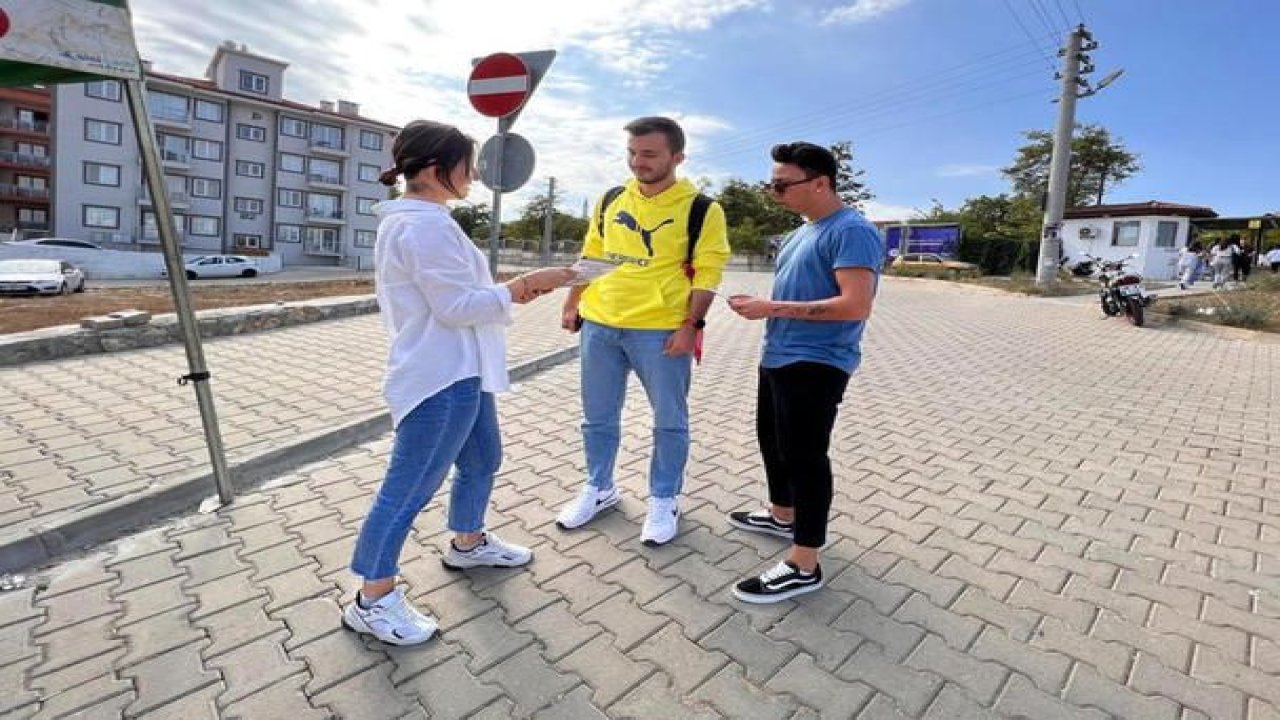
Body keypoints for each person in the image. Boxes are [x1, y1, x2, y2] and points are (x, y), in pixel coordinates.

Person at [343, 120, 575, 645]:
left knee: (481, 458)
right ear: (433, 169)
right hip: (439, 377)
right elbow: (452, 308)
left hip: (463, 369)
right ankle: (372, 598)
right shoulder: (421, 226)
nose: (474, 174)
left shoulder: (426, 220)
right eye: (466, 164)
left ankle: (468, 542)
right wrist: (523, 285)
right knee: (408, 488)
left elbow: (458, 294)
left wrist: (515, 292)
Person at [556, 116, 730, 545]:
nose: (638, 162)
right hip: (600, 324)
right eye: (633, 153)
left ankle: (664, 498)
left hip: (660, 330)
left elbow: (708, 273)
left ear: (677, 156)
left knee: (669, 420)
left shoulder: (701, 209)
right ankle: (600, 489)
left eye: (649, 154)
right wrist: (573, 300)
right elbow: (592, 254)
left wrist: (691, 325)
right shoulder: (612, 198)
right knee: (597, 418)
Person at [725, 141, 882, 603]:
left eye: (781, 185)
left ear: (821, 182)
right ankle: (781, 514)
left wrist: (769, 307)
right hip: (779, 354)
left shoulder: (852, 230)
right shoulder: (800, 232)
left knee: (805, 456)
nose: (773, 194)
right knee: (772, 441)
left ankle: (804, 562)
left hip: (818, 361)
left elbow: (856, 304)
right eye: (770, 185)